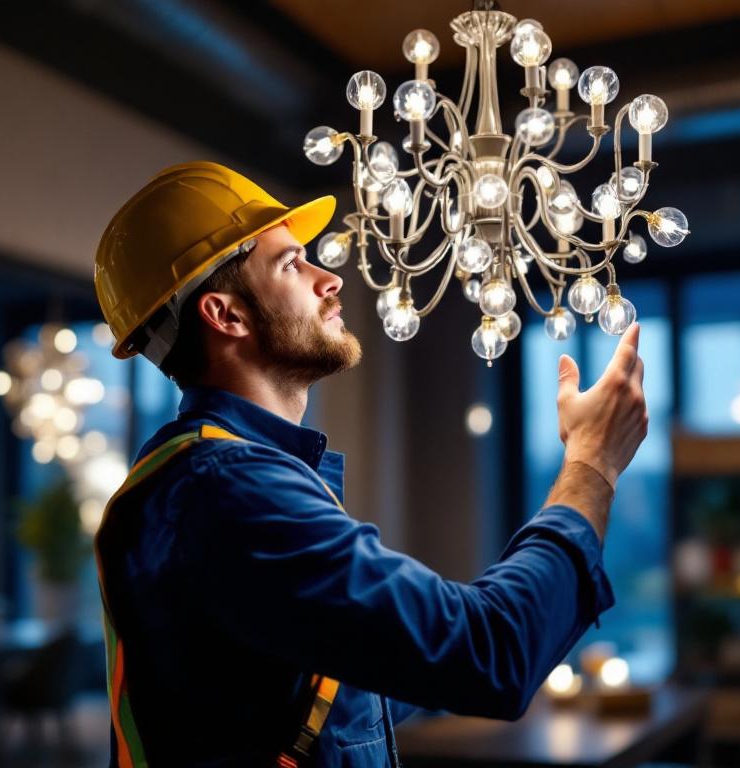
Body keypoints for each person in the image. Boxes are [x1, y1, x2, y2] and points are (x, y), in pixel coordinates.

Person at [92, 161, 648, 768]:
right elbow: (492, 655)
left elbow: (338, 690)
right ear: (227, 315)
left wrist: (437, 652)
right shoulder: (226, 488)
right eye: (289, 264)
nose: (328, 279)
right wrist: (592, 463)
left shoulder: (211, 481)